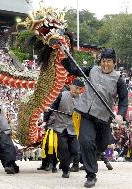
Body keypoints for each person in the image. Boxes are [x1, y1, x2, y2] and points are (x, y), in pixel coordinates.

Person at [61, 48, 128, 187]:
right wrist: (63, 54)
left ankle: (92, 157)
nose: (105, 64)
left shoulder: (119, 79)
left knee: (101, 145)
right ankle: (91, 175)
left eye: (109, 61)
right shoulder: (92, 70)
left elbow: (123, 100)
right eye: (103, 61)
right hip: (86, 113)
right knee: (85, 141)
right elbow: (74, 69)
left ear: (114, 63)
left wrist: (121, 115)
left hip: (103, 118)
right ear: (100, 61)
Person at [45, 78, 85, 178]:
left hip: (74, 128)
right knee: (63, 148)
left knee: (75, 150)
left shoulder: (82, 100)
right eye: (76, 88)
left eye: (79, 89)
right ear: (71, 86)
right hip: (60, 127)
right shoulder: (62, 94)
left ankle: (66, 163)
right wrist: (46, 119)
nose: (77, 91)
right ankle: (65, 170)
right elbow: (52, 106)